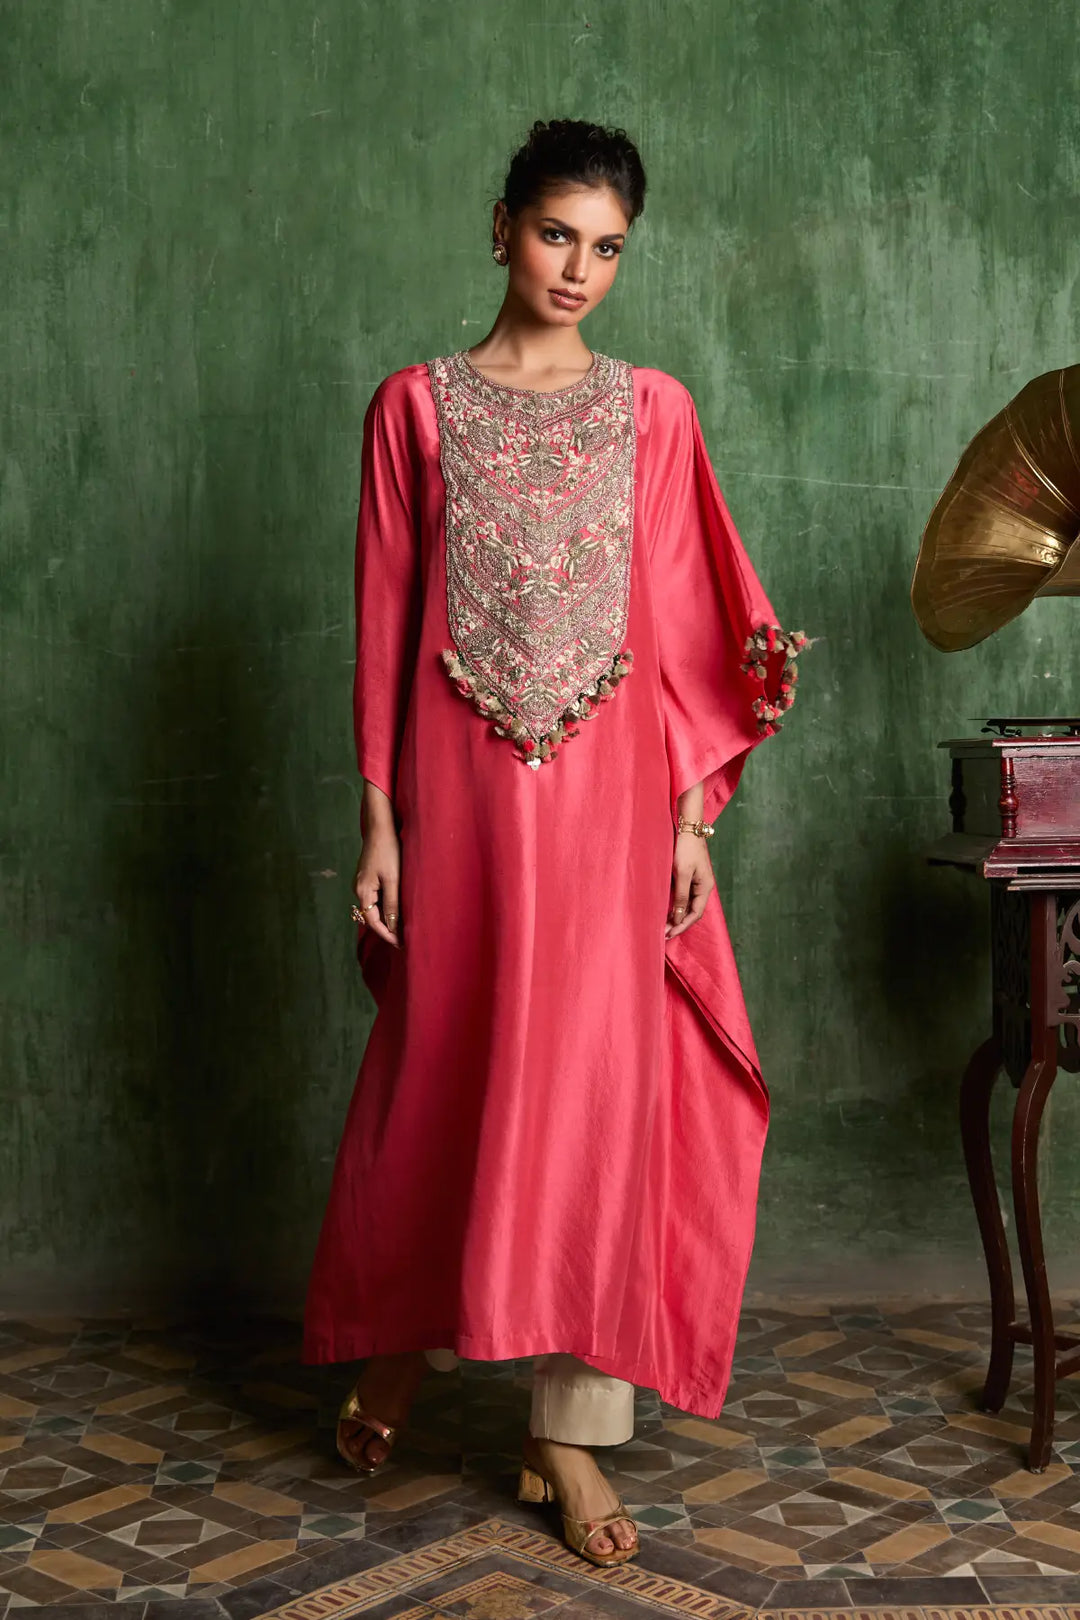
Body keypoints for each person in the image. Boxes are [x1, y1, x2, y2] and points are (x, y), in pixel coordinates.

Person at [302, 118, 806, 1568]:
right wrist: (379, 822)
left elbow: (692, 620)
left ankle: (567, 1435)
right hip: (457, 794)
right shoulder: (412, 408)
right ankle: (403, 1340)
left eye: (608, 248)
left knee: (597, 1089)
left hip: (611, 801)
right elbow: (385, 621)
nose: (579, 269)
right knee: (447, 1059)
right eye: (555, 235)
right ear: (501, 226)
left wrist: (692, 818)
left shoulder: (656, 411)